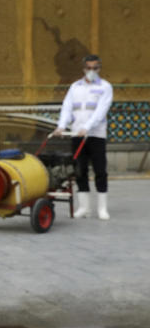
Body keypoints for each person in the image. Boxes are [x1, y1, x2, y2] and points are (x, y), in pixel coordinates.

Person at [52, 54, 114, 219]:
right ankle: (84, 208)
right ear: (83, 68)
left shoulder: (105, 87)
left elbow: (101, 111)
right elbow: (67, 107)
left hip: (96, 135)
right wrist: (61, 126)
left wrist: (87, 127)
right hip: (76, 134)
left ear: (99, 68)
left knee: (100, 170)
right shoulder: (75, 87)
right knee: (80, 170)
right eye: (89, 68)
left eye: (95, 68)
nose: (91, 71)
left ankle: (102, 208)